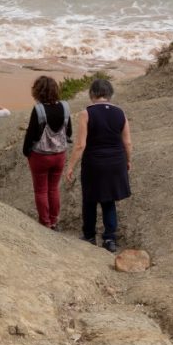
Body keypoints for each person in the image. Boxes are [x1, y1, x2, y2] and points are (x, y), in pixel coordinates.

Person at [65, 78, 132, 252]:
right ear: (110, 94)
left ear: (92, 94)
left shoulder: (86, 113)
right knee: (109, 201)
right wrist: (128, 160)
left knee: (90, 199)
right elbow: (128, 143)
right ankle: (110, 239)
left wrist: (70, 165)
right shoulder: (121, 113)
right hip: (116, 161)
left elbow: (80, 145)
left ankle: (89, 236)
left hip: (94, 163)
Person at [22, 76, 72, 230]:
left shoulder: (39, 110)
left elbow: (31, 134)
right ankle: (54, 220)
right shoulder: (65, 107)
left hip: (40, 156)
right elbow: (69, 132)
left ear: (37, 91)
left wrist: (26, 152)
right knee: (53, 188)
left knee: (41, 190)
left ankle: (45, 222)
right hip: (59, 155)